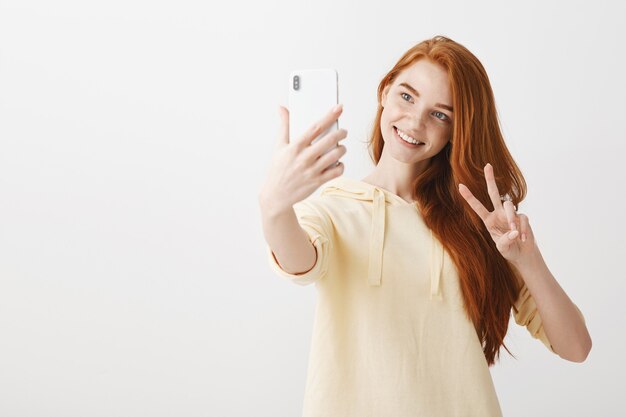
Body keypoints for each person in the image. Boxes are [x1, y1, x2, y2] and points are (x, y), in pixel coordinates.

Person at [257, 35, 592, 417]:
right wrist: (273, 206)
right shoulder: (334, 207)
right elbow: (298, 261)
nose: (414, 121)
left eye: (440, 114)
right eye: (406, 96)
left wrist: (528, 260)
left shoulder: (480, 222)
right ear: (385, 91)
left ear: (456, 129)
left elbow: (576, 347)